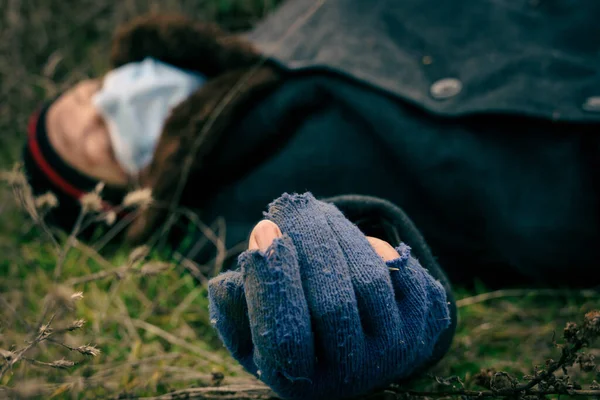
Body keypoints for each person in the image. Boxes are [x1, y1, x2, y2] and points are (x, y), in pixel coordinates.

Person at [21, 0, 600, 398]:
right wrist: (375, 320)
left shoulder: (275, 33)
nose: (114, 101)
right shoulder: (222, 225)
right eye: (95, 138)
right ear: (117, 202)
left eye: (94, 90)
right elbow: (344, 294)